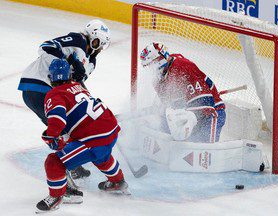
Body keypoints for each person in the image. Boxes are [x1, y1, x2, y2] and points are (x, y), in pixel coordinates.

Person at [18, 19, 111, 179]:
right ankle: (64, 176)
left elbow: (75, 83)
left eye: (102, 45)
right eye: (98, 42)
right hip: (38, 85)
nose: (99, 48)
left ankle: (71, 165)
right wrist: (70, 60)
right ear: (92, 36)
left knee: (69, 129)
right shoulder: (77, 40)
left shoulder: (91, 62)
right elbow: (46, 47)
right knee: (60, 129)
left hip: (50, 93)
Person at [36, 59, 128, 213]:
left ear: (51, 78)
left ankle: (59, 196)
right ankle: (117, 181)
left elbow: (57, 119)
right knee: (102, 156)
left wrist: (50, 136)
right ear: (69, 74)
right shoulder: (78, 86)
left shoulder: (54, 93)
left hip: (94, 139)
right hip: (111, 129)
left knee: (54, 161)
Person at [140, 42, 226, 143]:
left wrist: (184, 121)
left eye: (150, 65)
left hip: (211, 114)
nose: (149, 70)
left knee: (204, 150)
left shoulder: (183, 67)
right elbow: (170, 105)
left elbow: (205, 103)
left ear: (159, 60)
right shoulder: (158, 80)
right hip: (189, 114)